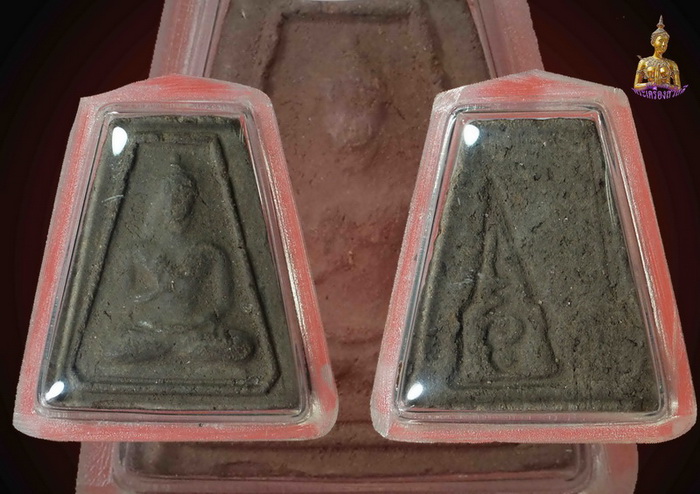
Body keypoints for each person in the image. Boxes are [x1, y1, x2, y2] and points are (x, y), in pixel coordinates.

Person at [634, 16, 681, 90]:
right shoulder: (643, 62)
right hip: (648, 95)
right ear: (653, 42)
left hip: (666, 95)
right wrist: (650, 84)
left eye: (666, 42)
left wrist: (665, 85)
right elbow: (636, 86)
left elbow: (678, 88)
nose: (663, 44)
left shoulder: (672, 64)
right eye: (660, 41)